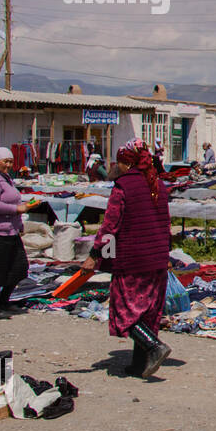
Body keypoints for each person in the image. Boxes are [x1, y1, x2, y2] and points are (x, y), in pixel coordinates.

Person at [81, 140, 173, 378]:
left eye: (119, 162)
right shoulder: (158, 185)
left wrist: (94, 255)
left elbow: (110, 225)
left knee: (124, 311)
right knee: (148, 313)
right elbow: (165, 224)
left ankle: (154, 347)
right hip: (157, 258)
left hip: (133, 259)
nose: (117, 166)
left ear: (126, 162)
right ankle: (139, 364)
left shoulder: (123, 186)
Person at [0, 148, 40, 319]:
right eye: (5, 161)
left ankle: (4, 300)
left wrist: (19, 221)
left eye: (10, 162)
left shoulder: (5, 178)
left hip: (11, 230)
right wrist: (18, 209)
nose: (8, 165)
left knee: (19, 268)